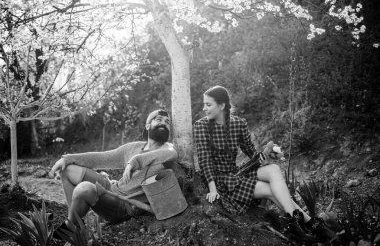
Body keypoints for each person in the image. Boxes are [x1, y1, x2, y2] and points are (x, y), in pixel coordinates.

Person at [193, 85, 335, 242]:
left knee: (273, 168)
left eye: (208, 104)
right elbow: (204, 159)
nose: (204, 108)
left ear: (222, 105)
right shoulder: (201, 126)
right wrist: (213, 189)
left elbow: (251, 152)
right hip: (222, 181)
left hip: (237, 173)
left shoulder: (238, 124)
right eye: (204, 104)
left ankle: (295, 223)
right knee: (271, 190)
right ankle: (312, 224)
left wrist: (264, 157)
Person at [49, 109, 178, 239]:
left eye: (167, 122)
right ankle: (74, 222)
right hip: (112, 188)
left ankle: (70, 224)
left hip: (125, 205)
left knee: (83, 189)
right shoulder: (133, 148)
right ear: (148, 125)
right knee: (67, 169)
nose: (163, 123)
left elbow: (172, 154)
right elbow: (101, 158)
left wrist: (135, 162)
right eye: (159, 120)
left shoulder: (167, 149)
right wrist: (68, 158)